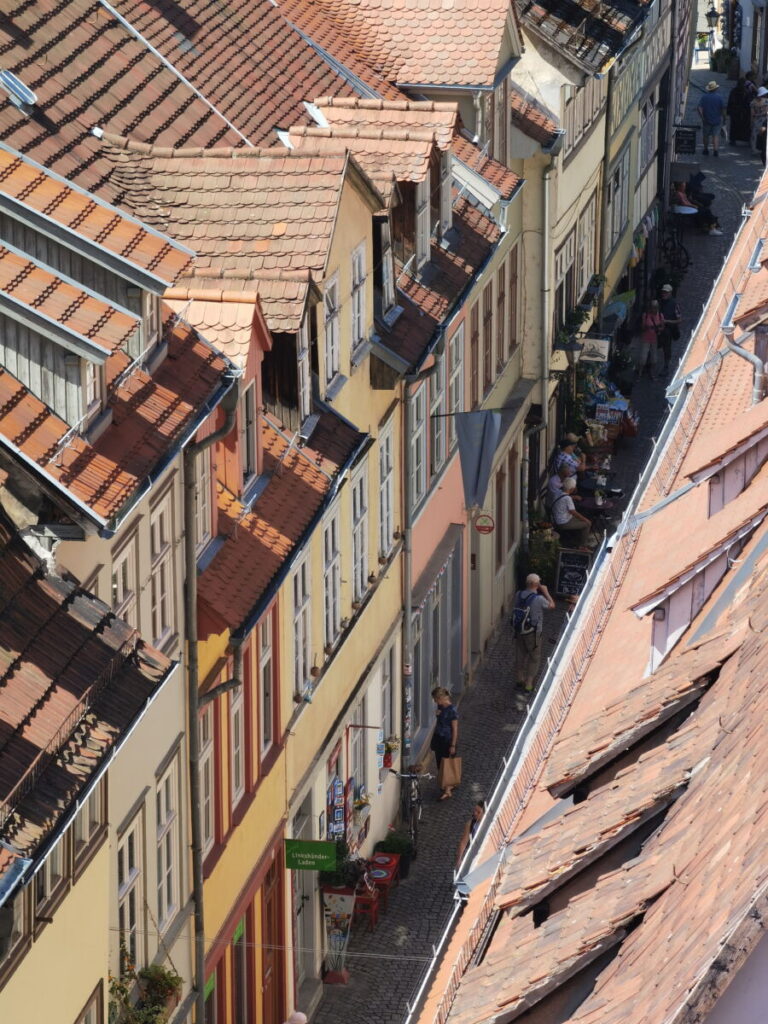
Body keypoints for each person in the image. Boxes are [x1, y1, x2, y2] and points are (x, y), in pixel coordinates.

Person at [513, 573, 555, 692]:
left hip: (519, 631)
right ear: (536, 584)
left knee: (520, 655)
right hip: (533, 632)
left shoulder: (518, 594)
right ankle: (529, 684)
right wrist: (546, 592)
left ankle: (519, 680)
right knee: (534, 658)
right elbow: (552, 606)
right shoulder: (539, 599)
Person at [430, 686, 458, 799]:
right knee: (439, 764)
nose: (435, 701)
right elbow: (439, 718)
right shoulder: (440, 706)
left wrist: (453, 745)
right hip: (438, 738)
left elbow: (455, 729)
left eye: (436, 699)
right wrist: (437, 714)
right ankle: (448, 785)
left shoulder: (452, 710)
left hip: (447, 740)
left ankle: (447, 790)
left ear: (441, 697)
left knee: (446, 764)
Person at [551, 477, 591, 547]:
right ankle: (582, 546)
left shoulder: (557, 492)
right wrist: (586, 520)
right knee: (587, 524)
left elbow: (563, 497)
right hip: (563, 523)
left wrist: (574, 497)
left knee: (582, 518)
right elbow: (574, 512)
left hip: (556, 519)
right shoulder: (568, 499)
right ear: (572, 489)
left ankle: (577, 538)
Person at [636, 299, 665, 379]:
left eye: (655, 307)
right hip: (645, 339)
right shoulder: (645, 316)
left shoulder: (660, 316)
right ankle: (640, 373)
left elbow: (662, 327)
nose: (654, 309)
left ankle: (651, 372)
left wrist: (657, 329)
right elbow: (642, 327)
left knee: (654, 359)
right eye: (653, 307)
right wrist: (647, 327)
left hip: (654, 340)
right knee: (643, 358)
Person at [455, 799, 486, 869]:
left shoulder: (489, 822)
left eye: (478, 812)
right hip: (474, 851)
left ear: (484, 813)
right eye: (475, 810)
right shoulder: (470, 824)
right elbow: (463, 843)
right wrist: (459, 859)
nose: (475, 813)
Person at [658, 283, 681, 375]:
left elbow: (679, 320)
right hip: (658, 330)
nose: (664, 294)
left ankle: (666, 366)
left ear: (670, 293)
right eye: (663, 292)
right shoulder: (660, 302)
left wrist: (667, 321)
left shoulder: (674, 304)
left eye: (666, 292)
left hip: (668, 331)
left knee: (667, 348)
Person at [698, 80, 725, 156]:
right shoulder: (719, 98)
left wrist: (702, 117)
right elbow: (723, 109)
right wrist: (724, 118)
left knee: (705, 135)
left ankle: (706, 149)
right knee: (715, 136)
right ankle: (715, 151)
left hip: (706, 120)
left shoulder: (704, 97)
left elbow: (699, 108)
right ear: (716, 89)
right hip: (717, 120)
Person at [727, 77, 751, 143]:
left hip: (735, 111)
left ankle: (733, 139)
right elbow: (748, 102)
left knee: (734, 126)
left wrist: (729, 111)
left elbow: (730, 101)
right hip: (743, 111)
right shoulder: (746, 91)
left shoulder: (733, 91)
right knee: (744, 125)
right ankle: (745, 138)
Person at [751, 86, 768, 154]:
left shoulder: (753, 102)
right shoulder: (766, 101)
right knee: (764, 135)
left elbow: (752, 114)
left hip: (756, 120)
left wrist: (751, 122)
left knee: (754, 135)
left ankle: (754, 149)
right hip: (765, 120)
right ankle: (762, 148)